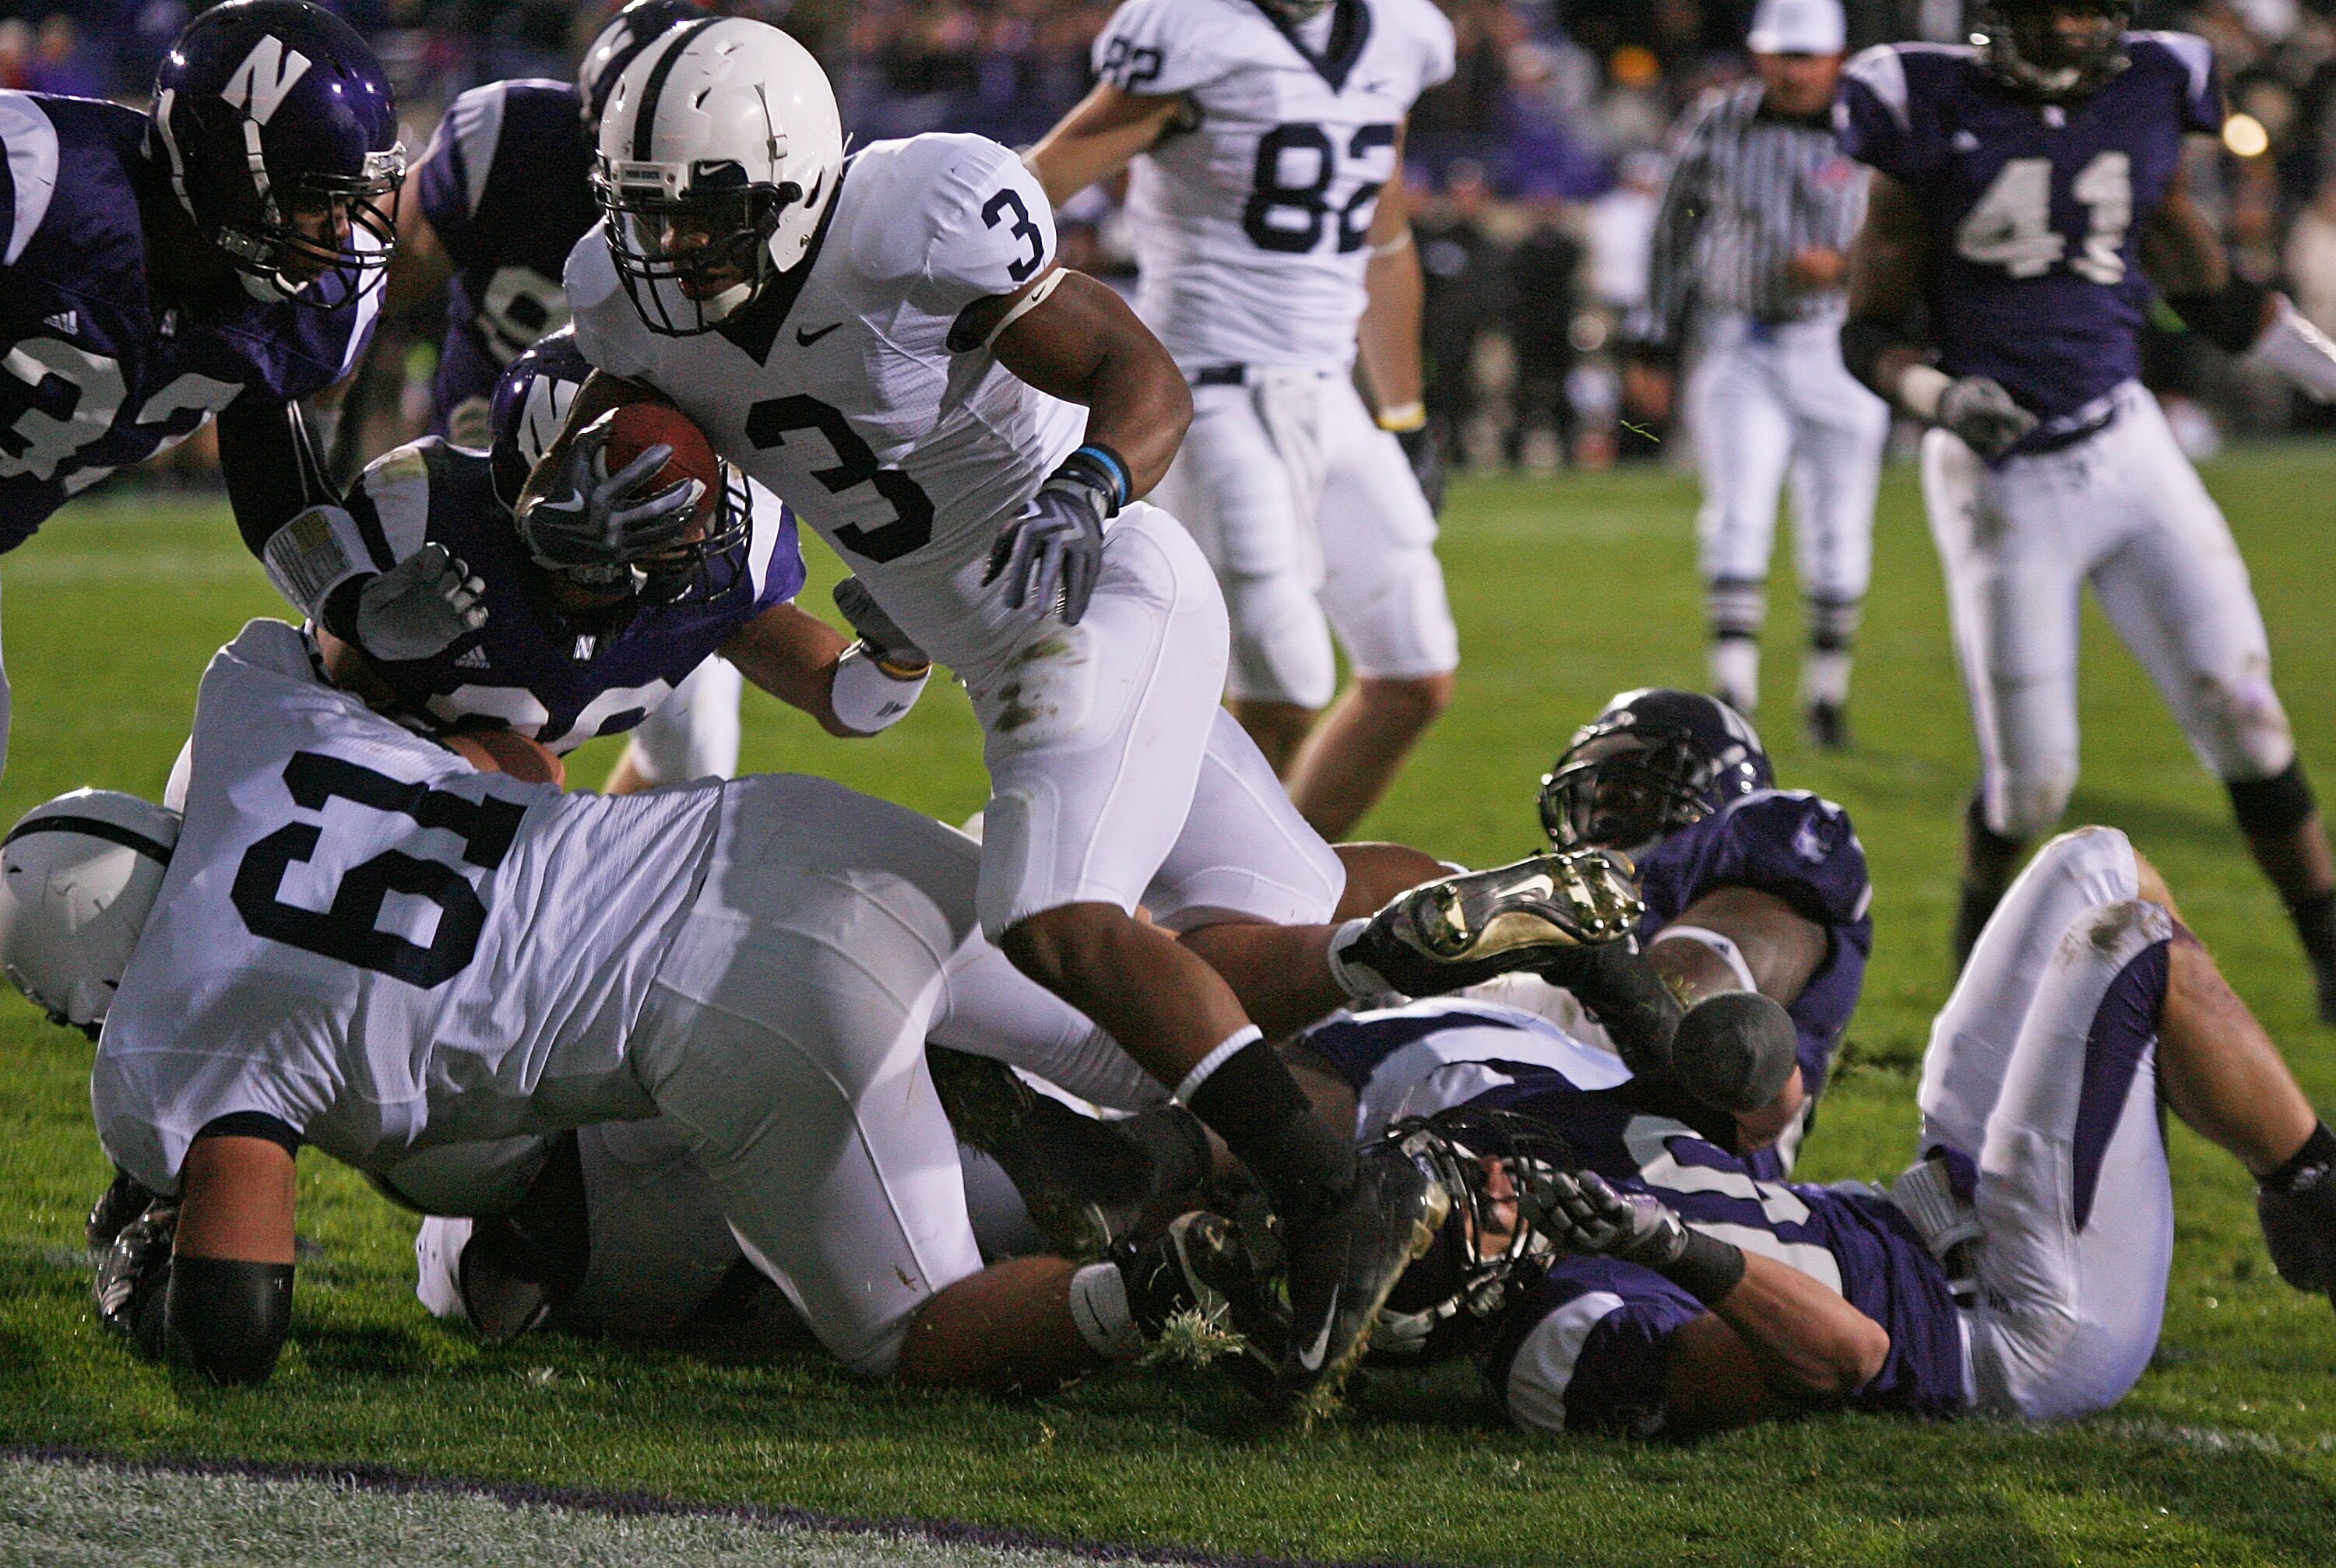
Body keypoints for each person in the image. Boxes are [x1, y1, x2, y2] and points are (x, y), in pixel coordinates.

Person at [534, 14, 1633, 1401]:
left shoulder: (914, 220)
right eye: (646, 213)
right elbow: (594, 462)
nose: (673, 246)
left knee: (1052, 917)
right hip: (999, 652)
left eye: (706, 213)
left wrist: (1090, 484)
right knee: (1263, 936)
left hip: (1100, 585)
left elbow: (1140, 372)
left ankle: (1330, 1190)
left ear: (797, 179)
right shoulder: (624, 297)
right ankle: (1538, 936)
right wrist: (575, 517)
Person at [1297, 824, 2336, 1435]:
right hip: (2013, 1324)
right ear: (1462, 1297)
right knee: (2133, 946)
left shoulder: (1516, 1145)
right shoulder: (1555, 1338)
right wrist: (1665, 1245)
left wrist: (1595, 964)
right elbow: (1849, 1352)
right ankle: (2314, 1191)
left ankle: (2276, 1160)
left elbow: (1764, 1106)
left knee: (2096, 863)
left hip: (1930, 1202)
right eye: (1463, 1213)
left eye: (1446, 1169)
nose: (1484, 1180)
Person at [1835, 0, 2336, 1007]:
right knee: (2033, 782)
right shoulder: (1922, 105)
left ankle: (2330, 953)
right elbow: (1867, 332)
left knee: (2247, 717)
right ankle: (1974, 979)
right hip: (2000, 476)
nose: (2068, 28)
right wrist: (1939, 396)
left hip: (2126, 446)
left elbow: (2213, 295)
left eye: (2088, 6)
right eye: (2047, 6)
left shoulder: (2147, 89)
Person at [1023, 0, 1463, 838]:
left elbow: (1384, 235)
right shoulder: (1193, 30)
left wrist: (1403, 412)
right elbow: (1034, 186)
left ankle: (1272, 889)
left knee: (1414, 676)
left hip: (1330, 393)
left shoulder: (1400, 33)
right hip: (1208, 393)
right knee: (1284, 690)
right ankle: (1120, 883)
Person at [0, 0, 413, 782]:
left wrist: (356, 602)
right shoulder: (35, 182)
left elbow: (278, 492)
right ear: (224, 171)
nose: (339, 231)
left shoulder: (297, 307)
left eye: (348, 198)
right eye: (313, 198)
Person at [391, 0, 748, 796]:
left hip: (648, 494)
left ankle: (586, 864)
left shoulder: (733, 218)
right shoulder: (508, 140)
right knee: (446, 724)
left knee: (692, 756)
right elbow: (382, 285)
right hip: (481, 478)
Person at [304, 327, 936, 764]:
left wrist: (903, 650)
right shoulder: (426, 517)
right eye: (652, 503)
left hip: (482, 809)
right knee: (522, 774)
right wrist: (377, 637)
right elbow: (323, 707)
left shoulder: (724, 564)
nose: (695, 534)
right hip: (338, 780)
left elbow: (847, 703)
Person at [1625, 0, 1886, 745]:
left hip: (1839, 341)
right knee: (1737, 512)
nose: (1792, 71)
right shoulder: (1719, 120)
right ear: (1758, 53)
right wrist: (1653, 342)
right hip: (1742, 340)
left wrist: (1850, 266)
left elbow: (1915, 223)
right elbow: (1674, 228)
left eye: (1806, 56)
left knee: (1840, 523)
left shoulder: (1872, 124)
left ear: (1836, 58)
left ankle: (1826, 695)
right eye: (1781, 55)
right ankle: (1733, 690)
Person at [1482, 689, 1871, 1176]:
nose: (1602, 808)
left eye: (1633, 789)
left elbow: (1679, 1010)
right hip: (1551, 1130)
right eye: (1594, 790)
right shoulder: (1573, 900)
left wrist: (1470, 988)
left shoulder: (1761, 878)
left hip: (1681, 1174)